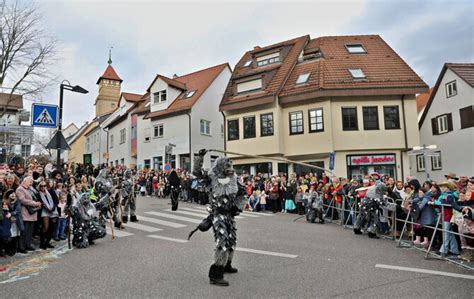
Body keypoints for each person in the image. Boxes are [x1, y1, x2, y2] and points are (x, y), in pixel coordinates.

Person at [192, 150, 246, 287]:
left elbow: (242, 192)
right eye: (227, 166)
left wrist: (238, 206)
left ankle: (227, 264)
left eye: (230, 166)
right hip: (218, 215)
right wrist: (199, 158)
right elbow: (197, 173)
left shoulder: (234, 178)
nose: (230, 169)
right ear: (221, 167)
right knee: (222, 242)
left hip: (230, 215)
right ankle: (215, 274)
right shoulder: (212, 178)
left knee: (232, 240)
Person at [16, 176, 42, 253]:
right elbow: (22, 200)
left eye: (31, 182)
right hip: (25, 212)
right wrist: (35, 203)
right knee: (24, 231)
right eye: (30, 182)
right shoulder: (20, 189)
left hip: (32, 212)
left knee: (30, 231)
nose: (31, 183)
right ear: (24, 181)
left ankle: (28, 245)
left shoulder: (30, 189)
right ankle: (22, 247)